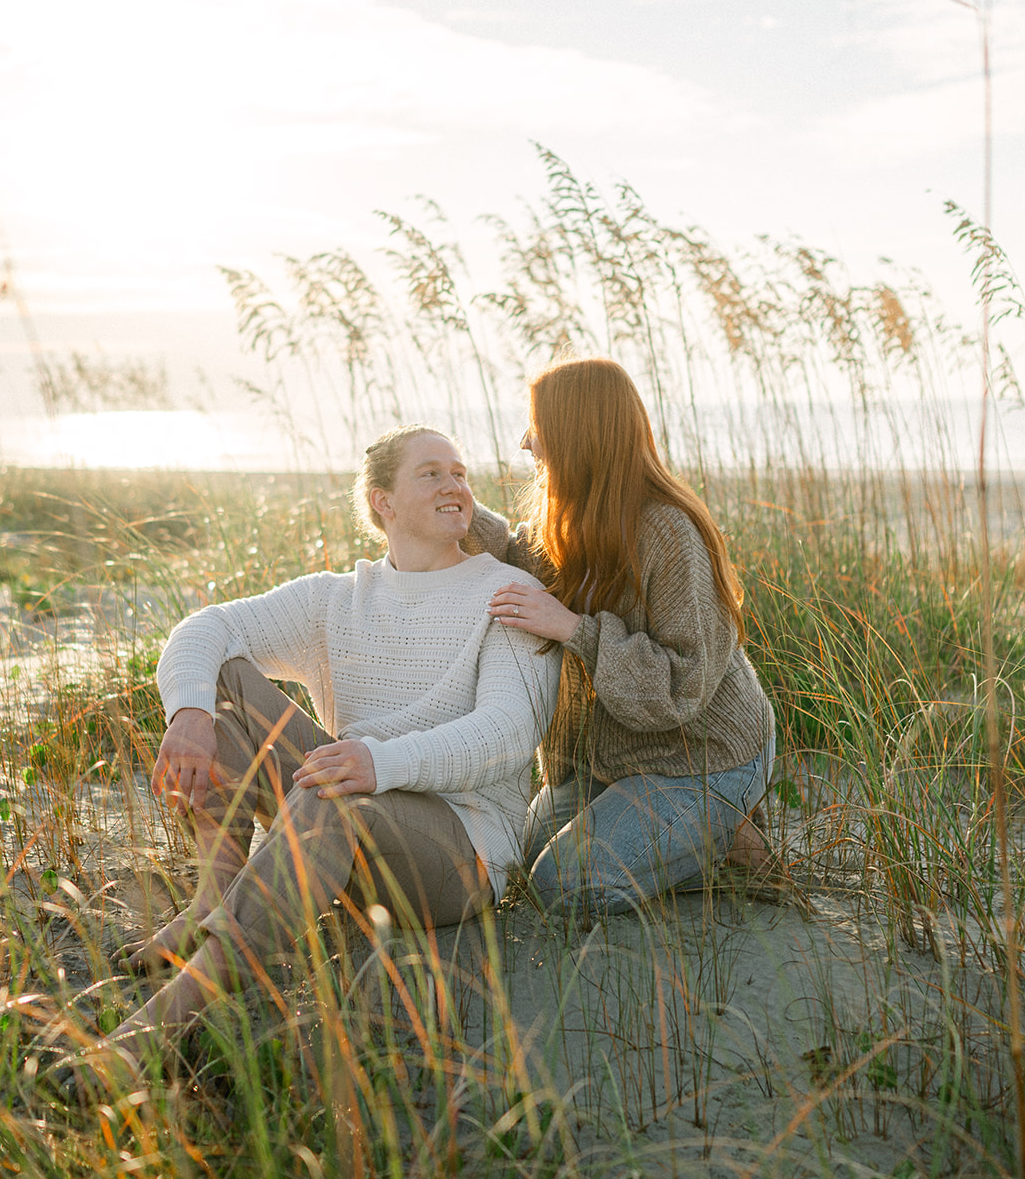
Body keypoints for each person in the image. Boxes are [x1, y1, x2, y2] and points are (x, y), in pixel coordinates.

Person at [74, 424, 559, 1077]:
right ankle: (213, 901)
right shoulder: (337, 598)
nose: (455, 484)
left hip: (458, 858)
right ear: (382, 502)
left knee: (341, 790)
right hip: (343, 815)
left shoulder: (504, 592)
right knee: (223, 677)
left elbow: (507, 731)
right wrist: (187, 712)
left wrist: (378, 763)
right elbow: (207, 626)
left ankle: (154, 1029)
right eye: (431, 473)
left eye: (461, 472)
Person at [466, 358, 777, 914]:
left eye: (537, 427)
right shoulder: (564, 519)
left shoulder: (668, 532)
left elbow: (682, 684)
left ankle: (723, 837)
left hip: (701, 758)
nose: (524, 442)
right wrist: (456, 507)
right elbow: (516, 557)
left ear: (578, 435)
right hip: (611, 762)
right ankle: (682, 843)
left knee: (562, 884)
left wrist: (576, 631)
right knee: (515, 861)